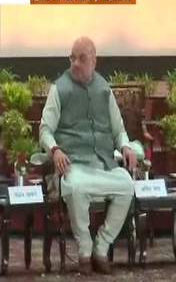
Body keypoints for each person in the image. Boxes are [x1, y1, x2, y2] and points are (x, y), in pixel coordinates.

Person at [39, 37, 137, 274]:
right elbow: (44, 129)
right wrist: (55, 149)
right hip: (74, 165)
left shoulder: (104, 89)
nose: (75, 63)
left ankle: (101, 247)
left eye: (81, 58)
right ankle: (85, 250)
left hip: (103, 164)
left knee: (127, 184)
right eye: (72, 58)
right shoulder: (59, 89)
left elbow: (119, 130)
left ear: (94, 60)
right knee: (75, 187)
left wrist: (125, 146)